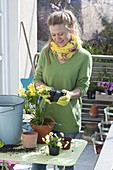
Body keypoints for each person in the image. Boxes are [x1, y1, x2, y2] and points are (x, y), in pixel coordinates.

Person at [32, 9, 92, 170]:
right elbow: (37, 79)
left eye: (61, 34)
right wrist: (44, 89)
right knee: (38, 165)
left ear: (71, 30)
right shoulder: (46, 53)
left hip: (68, 120)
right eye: (53, 35)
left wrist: (70, 94)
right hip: (45, 120)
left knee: (65, 167)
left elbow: (82, 87)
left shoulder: (84, 57)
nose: (57, 38)